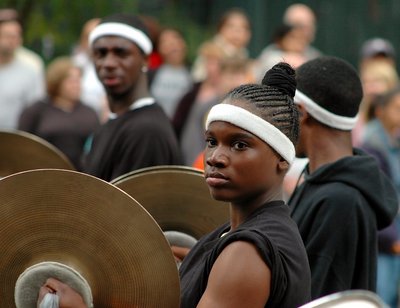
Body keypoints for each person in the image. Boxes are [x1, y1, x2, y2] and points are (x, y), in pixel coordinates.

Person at [179, 62, 311, 307]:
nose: (214, 157)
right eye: (211, 141)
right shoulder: (229, 235)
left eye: (239, 145)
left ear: (281, 159)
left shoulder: (247, 250)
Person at [289, 56, 399, 299]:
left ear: (301, 112)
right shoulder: (318, 181)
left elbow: (314, 298)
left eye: (287, 110)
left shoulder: (339, 199)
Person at [83, 13, 182, 182]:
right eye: (101, 53)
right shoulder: (113, 123)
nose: (109, 63)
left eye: (121, 53)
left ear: (145, 59)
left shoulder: (146, 131)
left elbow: (125, 207)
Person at [18, 56, 100, 171]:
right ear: (57, 82)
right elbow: (22, 145)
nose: (76, 85)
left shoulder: (90, 112)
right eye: (71, 81)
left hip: (80, 176)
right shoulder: (36, 111)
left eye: (78, 80)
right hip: (44, 174)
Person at [361, 88, 400, 308]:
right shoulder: (371, 145)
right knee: (382, 298)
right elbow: (374, 201)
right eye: (397, 109)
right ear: (380, 111)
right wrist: (392, 241)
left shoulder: (393, 139)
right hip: (384, 241)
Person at [0, 10, 45, 129]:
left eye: (17, 35)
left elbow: (36, 108)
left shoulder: (32, 65)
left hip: (16, 139)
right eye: (8, 36)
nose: (13, 40)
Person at [191, 7, 251, 82]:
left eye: (243, 27)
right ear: (220, 29)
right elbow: (198, 80)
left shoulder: (242, 53)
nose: (237, 31)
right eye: (230, 26)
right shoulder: (210, 51)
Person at [149, 27, 193, 119]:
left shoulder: (195, 74)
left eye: (176, 38)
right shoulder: (150, 75)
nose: (172, 44)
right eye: (165, 41)